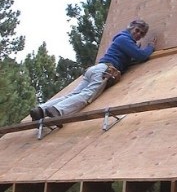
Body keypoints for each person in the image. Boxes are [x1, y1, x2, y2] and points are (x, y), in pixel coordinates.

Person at [29, 19, 157, 120]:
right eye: (137, 30)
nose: (138, 34)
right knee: (87, 95)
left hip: (96, 69)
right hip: (104, 70)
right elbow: (142, 56)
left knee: (73, 94)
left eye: (141, 34)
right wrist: (150, 47)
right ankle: (58, 110)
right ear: (131, 28)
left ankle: (41, 109)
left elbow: (130, 59)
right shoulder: (125, 39)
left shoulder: (122, 39)